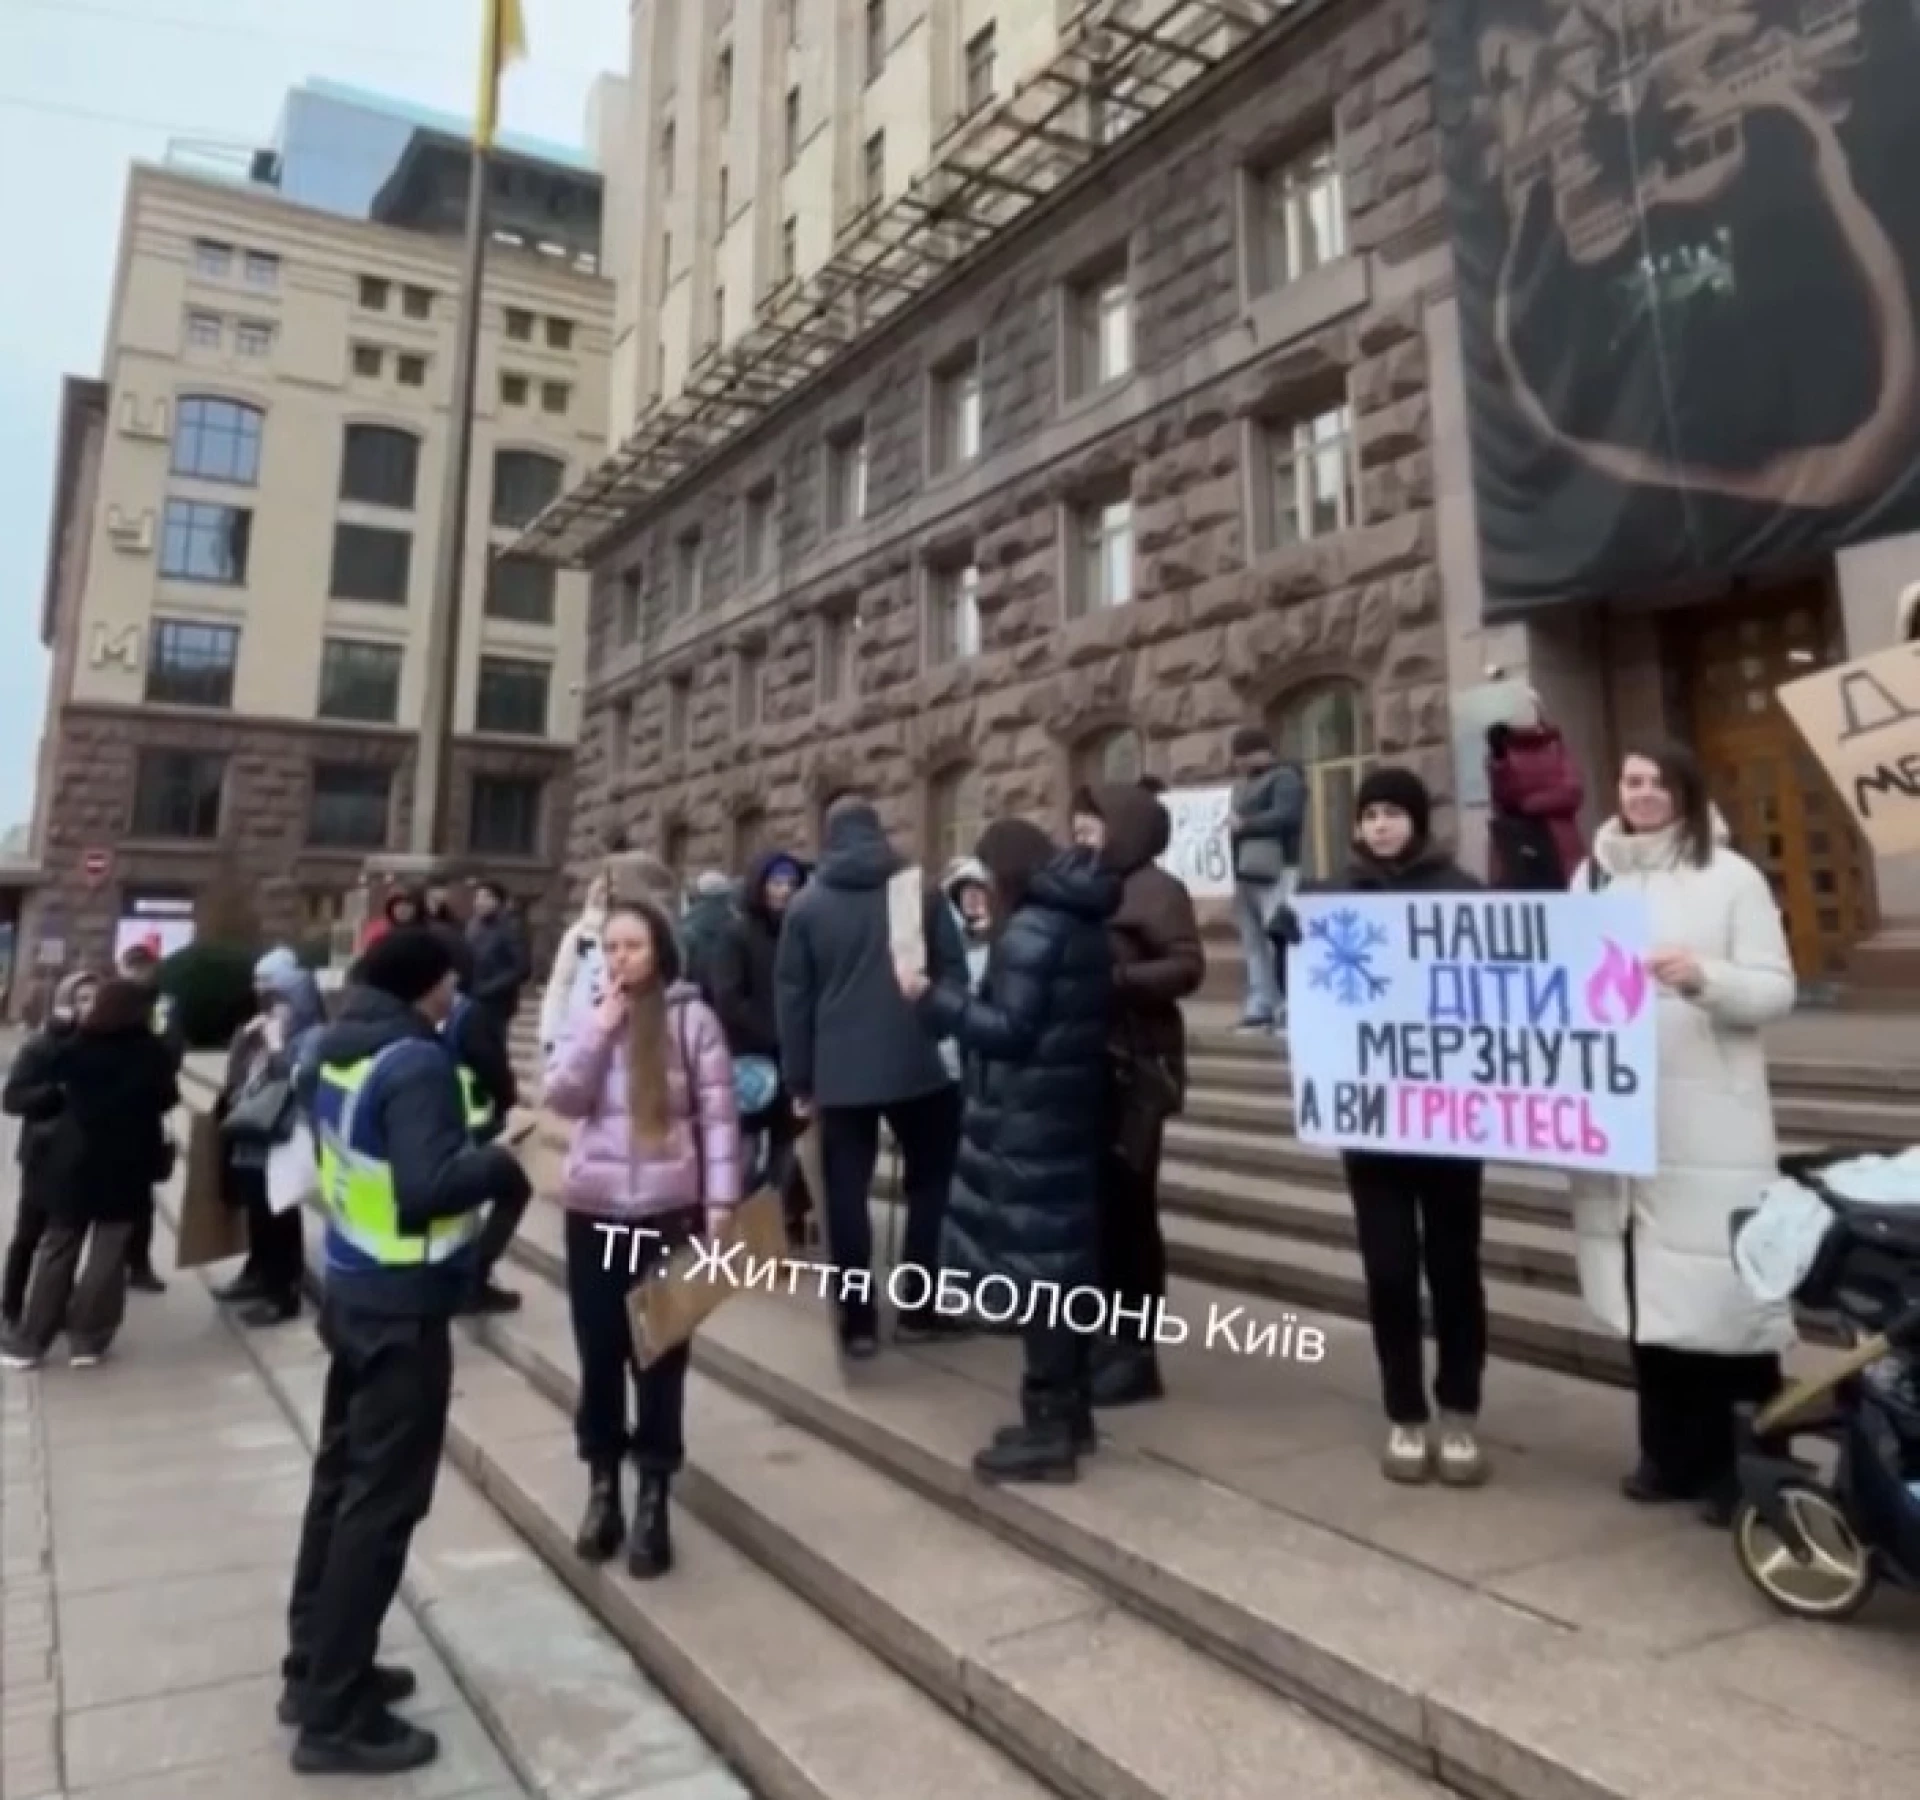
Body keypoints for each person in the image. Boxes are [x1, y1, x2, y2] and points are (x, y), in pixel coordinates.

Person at [279, 928, 532, 1775]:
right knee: (380, 1507)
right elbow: (428, 1189)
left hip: (351, 1289)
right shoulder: (415, 1062)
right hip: (402, 1308)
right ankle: (333, 1714)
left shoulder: (332, 1048)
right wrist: (496, 1161)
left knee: (338, 1484)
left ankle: (313, 1664)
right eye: (450, 982)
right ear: (427, 987)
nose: (456, 995)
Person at [1568, 744, 1796, 1526]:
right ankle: (1667, 1455)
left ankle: (1749, 1468)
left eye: (1659, 783)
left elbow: (1775, 989)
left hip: (1710, 1119)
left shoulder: (1732, 879)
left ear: (1686, 794)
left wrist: (1704, 978)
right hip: (1626, 1122)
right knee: (1649, 1299)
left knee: (1724, 1297)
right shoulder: (1592, 876)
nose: (1643, 794)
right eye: (1631, 781)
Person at [1270, 768, 1491, 1484]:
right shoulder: (1333, 899)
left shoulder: (1462, 895)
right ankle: (1406, 1414)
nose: (1381, 825)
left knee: (1455, 1270)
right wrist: (1286, 940)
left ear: (1416, 821)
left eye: (1394, 812)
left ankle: (1459, 1411)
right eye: (1370, 814)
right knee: (1390, 1272)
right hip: (1374, 1126)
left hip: (1453, 1123)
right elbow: (1303, 987)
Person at [901, 819, 1118, 1483]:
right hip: (1066, 1111)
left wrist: (933, 999)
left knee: (1039, 1276)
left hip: (1031, 1120)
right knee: (1059, 1265)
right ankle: (1071, 1415)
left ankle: (1049, 1426)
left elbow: (1011, 1031)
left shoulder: (1030, 930)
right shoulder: (1075, 921)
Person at [543, 897, 741, 1579]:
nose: (620, 958)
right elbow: (563, 1098)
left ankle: (654, 1493)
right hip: (594, 1212)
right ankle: (604, 1488)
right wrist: (599, 1028)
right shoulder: (590, 1013)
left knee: (659, 1359)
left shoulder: (692, 1020)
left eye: (632, 945)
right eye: (610, 946)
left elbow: (719, 1119)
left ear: (660, 949)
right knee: (599, 1354)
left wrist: (721, 1205)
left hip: (668, 1214)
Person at [775, 798, 969, 1355]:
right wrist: (933, 1024)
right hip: (918, 1064)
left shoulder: (807, 906)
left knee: (844, 1196)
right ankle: (919, 1304)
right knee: (931, 1184)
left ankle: (858, 1322)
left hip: (838, 1072)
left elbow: (794, 1001)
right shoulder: (918, 891)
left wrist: (800, 1081)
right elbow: (952, 972)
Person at [1071, 784, 1205, 1408]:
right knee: (1095, 1208)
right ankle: (1101, 1331)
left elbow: (1186, 966)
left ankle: (1136, 1347)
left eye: (1092, 820)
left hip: (1137, 1072)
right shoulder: (1081, 882)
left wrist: (1116, 981)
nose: (1080, 830)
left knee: (1130, 1209)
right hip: (1086, 1068)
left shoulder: (1158, 891)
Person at [0, 978, 180, 1371]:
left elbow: (49, 1089)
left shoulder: (76, 1048)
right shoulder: (153, 1053)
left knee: (58, 1247)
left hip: (75, 1162)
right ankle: (89, 1339)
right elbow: (168, 1097)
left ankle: (32, 1339)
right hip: (129, 1164)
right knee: (109, 1252)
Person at [211, 949, 325, 1327]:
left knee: (278, 1213)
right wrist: (245, 1041)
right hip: (253, 1132)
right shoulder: (260, 1029)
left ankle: (283, 1290)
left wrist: (277, 1045)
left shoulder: (313, 1036)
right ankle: (257, 1271)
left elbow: (301, 1079)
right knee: (257, 1211)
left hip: (284, 1132)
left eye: (280, 1000)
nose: (273, 1007)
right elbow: (239, 1078)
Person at [707, 850, 808, 1214]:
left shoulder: (800, 932)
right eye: (777, 883)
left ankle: (777, 1223)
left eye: (792, 884)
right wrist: (772, 1031)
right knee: (745, 1149)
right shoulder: (737, 935)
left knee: (787, 1147)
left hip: (793, 1061)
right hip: (748, 1058)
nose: (785, 891)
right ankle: (736, 1222)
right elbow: (728, 997)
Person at [2, 972, 98, 1333]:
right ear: (67, 1003)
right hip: (44, 1154)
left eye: (95, 998)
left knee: (68, 1235)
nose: (89, 1006)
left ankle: (56, 1303)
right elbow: (12, 1099)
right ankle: (11, 1303)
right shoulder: (43, 1045)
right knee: (30, 1234)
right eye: (82, 998)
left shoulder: (99, 1044)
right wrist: (56, 1092)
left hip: (83, 1156)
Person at [442, 983, 526, 1314]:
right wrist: (508, 1103)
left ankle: (467, 1275)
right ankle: (473, 1279)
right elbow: (491, 1066)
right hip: (474, 1123)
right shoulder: (469, 1014)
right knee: (514, 1189)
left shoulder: (438, 1014)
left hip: (450, 1122)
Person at [1226, 725, 1305, 1033]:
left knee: (1278, 939)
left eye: (1244, 755)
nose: (1240, 763)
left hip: (1278, 869)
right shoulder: (1243, 785)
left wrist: (1244, 825)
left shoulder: (1286, 778)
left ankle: (1287, 1004)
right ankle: (1262, 1003)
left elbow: (1288, 816)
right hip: (1245, 872)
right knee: (1254, 941)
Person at [115, 941, 184, 1294]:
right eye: (132, 966)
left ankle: (137, 1264)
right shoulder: (107, 1000)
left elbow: (172, 1049)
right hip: (110, 1109)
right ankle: (110, 1263)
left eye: (143, 967)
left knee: (141, 1196)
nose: (138, 973)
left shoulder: (162, 1006)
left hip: (146, 1108)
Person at [1487, 692, 1586, 890]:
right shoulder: (1505, 751)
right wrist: (1499, 761)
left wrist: (1528, 804)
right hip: (1519, 841)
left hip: (1560, 841)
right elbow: (1503, 798)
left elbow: (1572, 793)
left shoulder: (1556, 747)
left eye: (1529, 709)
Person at [540, 869, 610, 1061]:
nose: (603, 896)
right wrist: (550, 1032)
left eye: (608, 890)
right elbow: (561, 984)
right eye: (599, 890)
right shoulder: (578, 934)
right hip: (580, 1028)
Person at [465, 879, 530, 1032]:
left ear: (498, 901)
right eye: (477, 897)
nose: (480, 902)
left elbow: (522, 967)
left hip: (497, 1001)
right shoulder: (473, 925)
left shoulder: (511, 926)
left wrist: (489, 988)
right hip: (472, 997)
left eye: (486, 897)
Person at [679, 870, 738, 994]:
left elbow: (683, 970)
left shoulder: (688, 926)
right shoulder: (739, 924)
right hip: (727, 997)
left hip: (695, 998)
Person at [359, 887, 423, 954]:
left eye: (406, 904)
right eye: (397, 904)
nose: (402, 908)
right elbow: (367, 952)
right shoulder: (378, 928)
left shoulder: (420, 930)